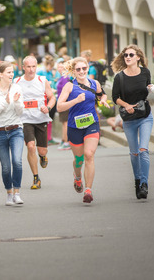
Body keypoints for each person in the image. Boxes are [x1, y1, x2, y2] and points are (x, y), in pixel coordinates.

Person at [57, 57, 109, 203]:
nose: (81, 71)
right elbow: (60, 107)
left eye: (84, 69)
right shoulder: (69, 86)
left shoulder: (94, 83)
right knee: (79, 160)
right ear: (73, 71)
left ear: (87, 69)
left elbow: (101, 93)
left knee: (89, 155)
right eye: (78, 69)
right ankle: (77, 176)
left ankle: (88, 190)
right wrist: (75, 101)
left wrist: (103, 99)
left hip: (92, 123)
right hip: (75, 127)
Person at [111, 44, 154, 199]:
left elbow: (146, 91)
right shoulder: (119, 77)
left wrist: (151, 88)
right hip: (129, 119)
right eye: (125, 55)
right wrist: (127, 105)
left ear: (138, 57)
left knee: (143, 150)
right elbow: (115, 98)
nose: (127, 57)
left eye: (130, 55)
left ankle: (144, 184)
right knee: (134, 153)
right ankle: (137, 180)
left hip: (145, 117)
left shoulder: (145, 73)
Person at [0, 61, 25, 205]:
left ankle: (17, 193)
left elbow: (21, 112)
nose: (11, 74)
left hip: (16, 130)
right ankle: (9, 193)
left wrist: (17, 102)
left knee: (17, 161)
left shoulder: (17, 88)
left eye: (12, 72)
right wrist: (6, 102)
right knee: (6, 167)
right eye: (8, 72)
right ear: (0, 74)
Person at [15, 55, 56, 190]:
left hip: (41, 118)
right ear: (23, 67)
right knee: (30, 146)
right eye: (28, 67)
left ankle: (43, 156)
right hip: (25, 119)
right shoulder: (17, 82)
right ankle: (36, 178)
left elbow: (52, 98)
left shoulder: (42, 80)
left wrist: (48, 107)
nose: (31, 70)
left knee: (42, 150)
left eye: (33, 66)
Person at [38, 55, 60, 146]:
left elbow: (55, 84)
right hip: (43, 98)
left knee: (51, 119)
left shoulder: (52, 73)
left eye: (52, 67)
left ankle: (49, 138)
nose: (50, 68)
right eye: (50, 66)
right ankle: (44, 138)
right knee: (44, 120)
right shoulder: (40, 72)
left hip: (52, 97)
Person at [56, 58, 72, 150]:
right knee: (64, 123)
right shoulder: (62, 77)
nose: (60, 68)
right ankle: (64, 140)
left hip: (64, 103)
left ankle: (66, 142)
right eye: (59, 67)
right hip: (61, 102)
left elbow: (66, 91)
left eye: (62, 67)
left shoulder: (65, 78)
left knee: (65, 123)